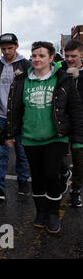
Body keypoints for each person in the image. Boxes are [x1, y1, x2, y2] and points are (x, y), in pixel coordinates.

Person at [5, 41, 83, 233]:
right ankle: (41, 211)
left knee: (51, 175)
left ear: (51, 58)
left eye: (41, 55)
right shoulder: (22, 79)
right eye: (34, 55)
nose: (37, 59)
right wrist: (10, 133)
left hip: (56, 137)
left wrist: (78, 139)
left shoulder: (63, 78)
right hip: (30, 137)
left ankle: (53, 214)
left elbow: (75, 109)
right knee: (37, 177)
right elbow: (14, 109)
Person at [0, 33, 31, 200]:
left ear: (17, 46)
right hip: (0, 115)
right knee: (0, 153)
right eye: (3, 49)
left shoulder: (26, 65)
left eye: (9, 48)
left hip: (20, 117)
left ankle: (23, 181)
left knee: (21, 152)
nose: (6, 52)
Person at [62, 39, 83, 207]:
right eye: (67, 55)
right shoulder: (60, 72)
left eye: (73, 56)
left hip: (80, 124)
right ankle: (64, 173)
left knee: (79, 159)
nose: (69, 59)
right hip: (61, 122)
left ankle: (75, 190)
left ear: (81, 55)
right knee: (58, 157)